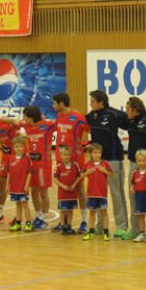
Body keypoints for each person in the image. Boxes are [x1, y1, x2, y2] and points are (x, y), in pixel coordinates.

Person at [86, 90, 128, 238]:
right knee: (98, 193)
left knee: (117, 194)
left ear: (101, 102)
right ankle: (99, 226)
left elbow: (132, 120)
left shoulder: (114, 114)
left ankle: (122, 227)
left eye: (92, 101)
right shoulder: (91, 116)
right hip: (97, 162)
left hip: (113, 159)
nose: (90, 103)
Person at [53, 93, 90, 233]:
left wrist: (87, 145)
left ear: (61, 104)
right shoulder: (59, 116)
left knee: (80, 188)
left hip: (76, 160)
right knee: (62, 189)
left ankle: (84, 221)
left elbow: (90, 130)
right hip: (61, 160)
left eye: (55, 103)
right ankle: (63, 222)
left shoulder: (78, 117)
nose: (53, 106)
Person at [124, 96, 146, 240]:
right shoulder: (129, 120)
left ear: (135, 110)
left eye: (128, 110)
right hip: (133, 163)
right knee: (134, 197)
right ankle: (137, 230)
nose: (126, 112)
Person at [18, 106, 56, 230]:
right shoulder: (27, 126)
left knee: (43, 192)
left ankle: (44, 218)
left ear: (31, 117)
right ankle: (39, 215)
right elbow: (13, 122)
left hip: (43, 166)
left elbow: (60, 123)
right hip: (31, 165)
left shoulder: (47, 126)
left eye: (25, 116)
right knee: (34, 191)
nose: (23, 118)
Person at [81, 143, 113, 242]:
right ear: (91, 154)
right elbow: (81, 175)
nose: (98, 154)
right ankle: (91, 232)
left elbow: (111, 174)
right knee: (92, 213)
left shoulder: (104, 163)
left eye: (99, 152)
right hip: (91, 194)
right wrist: (88, 172)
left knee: (104, 212)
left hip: (102, 193)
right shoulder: (88, 164)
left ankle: (106, 232)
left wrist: (104, 171)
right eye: (95, 152)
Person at [0, 119, 19, 223]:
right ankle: (0, 213)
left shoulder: (4, 125)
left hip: (16, 157)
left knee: (18, 186)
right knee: (1, 184)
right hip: (5, 158)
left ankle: (19, 216)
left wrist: (2, 118)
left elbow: (16, 122)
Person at [7, 136, 33, 232]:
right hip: (14, 187)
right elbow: (9, 173)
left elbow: (30, 172)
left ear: (24, 147)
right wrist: (7, 185)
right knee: (17, 205)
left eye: (21, 146)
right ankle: (18, 223)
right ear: (13, 148)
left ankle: (28, 224)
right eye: (17, 146)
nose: (19, 148)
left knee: (25, 205)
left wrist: (27, 185)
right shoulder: (11, 158)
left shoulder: (27, 159)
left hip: (23, 187)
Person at [54, 146, 83, 235]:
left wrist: (74, 185)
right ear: (60, 155)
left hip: (72, 193)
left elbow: (79, 176)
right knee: (63, 211)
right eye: (65, 155)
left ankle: (69, 226)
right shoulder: (58, 167)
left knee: (70, 210)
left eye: (68, 155)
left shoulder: (75, 165)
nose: (67, 156)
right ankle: (63, 227)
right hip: (62, 194)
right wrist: (63, 186)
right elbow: (55, 179)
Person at [129, 148, 146, 243]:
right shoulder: (135, 172)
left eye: (143, 160)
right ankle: (142, 233)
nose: (141, 163)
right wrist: (132, 187)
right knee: (141, 216)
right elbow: (132, 182)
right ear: (136, 161)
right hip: (138, 197)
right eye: (139, 161)